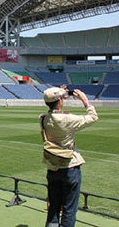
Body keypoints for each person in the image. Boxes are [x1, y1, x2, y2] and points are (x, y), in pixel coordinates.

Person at [41, 87, 98, 227]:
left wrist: (58, 94)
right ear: (60, 101)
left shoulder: (42, 118)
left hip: (52, 166)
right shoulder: (67, 119)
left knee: (54, 206)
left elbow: (53, 109)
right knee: (69, 208)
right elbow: (93, 117)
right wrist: (85, 100)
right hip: (70, 166)